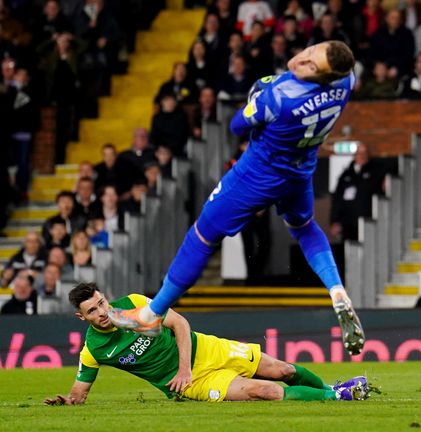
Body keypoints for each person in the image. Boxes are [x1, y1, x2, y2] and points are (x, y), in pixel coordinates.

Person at [109, 41, 366, 356]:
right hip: (299, 172)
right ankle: (337, 290)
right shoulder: (346, 82)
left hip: (257, 173)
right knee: (304, 226)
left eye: (312, 65)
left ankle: (152, 314)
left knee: (202, 235)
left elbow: (236, 126)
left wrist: (258, 93)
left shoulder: (279, 98)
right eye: (311, 50)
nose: (303, 58)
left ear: (321, 77)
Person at [45, 283, 374, 405]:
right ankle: (338, 395)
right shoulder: (94, 350)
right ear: (81, 317)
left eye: (101, 303)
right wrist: (68, 400)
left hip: (203, 349)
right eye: (93, 310)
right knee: (265, 391)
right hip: (191, 384)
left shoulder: (132, 303)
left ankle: (329, 387)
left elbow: (179, 323)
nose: (103, 312)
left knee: (283, 370)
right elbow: (79, 393)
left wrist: (185, 365)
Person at [330, 143, 384, 241]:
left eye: (363, 153)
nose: (361, 156)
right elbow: (337, 200)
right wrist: (335, 221)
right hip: (348, 222)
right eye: (358, 153)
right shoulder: (346, 175)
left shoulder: (376, 172)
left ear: (368, 155)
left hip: (368, 220)